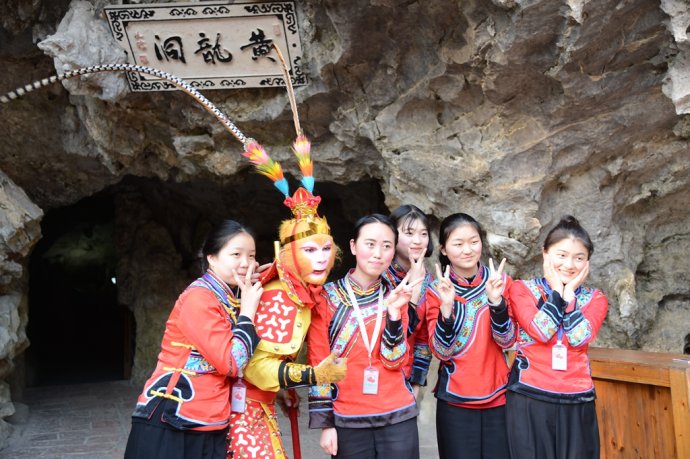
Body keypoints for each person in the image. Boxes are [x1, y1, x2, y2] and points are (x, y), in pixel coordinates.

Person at [227, 142, 347, 459]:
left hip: (257, 405)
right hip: (243, 411)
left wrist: (285, 388)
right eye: (309, 250)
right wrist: (311, 375)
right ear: (288, 253)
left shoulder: (304, 292)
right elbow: (255, 368)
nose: (321, 258)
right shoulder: (281, 295)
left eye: (326, 249)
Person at [124, 220, 263, 459]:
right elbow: (231, 362)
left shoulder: (229, 299)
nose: (246, 263)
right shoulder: (199, 298)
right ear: (212, 258)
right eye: (236, 254)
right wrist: (248, 313)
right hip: (173, 419)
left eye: (251, 256)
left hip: (208, 419)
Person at [308, 213, 422, 459]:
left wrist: (394, 314)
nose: (378, 254)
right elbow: (319, 362)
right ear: (353, 246)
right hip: (347, 417)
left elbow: (395, 361)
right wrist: (326, 424)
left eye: (387, 246)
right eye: (370, 244)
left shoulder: (396, 296)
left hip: (397, 415)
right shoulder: (325, 298)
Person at [505, 215, 609, 459]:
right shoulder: (522, 289)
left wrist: (569, 294)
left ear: (587, 262)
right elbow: (541, 330)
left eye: (579, 258)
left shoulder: (596, 299)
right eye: (561, 255)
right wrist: (557, 294)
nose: (569, 264)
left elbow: (578, 337)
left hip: (578, 398)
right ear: (545, 254)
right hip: (529, 394)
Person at [424, 213, 515, 459]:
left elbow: (508, 341)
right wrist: (446, 309)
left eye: (474, 242)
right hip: (455, 400)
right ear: (444, 249)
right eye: (458, 243)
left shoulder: (501, 283)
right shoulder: (435, 291)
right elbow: (441, 352)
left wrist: (496, 302)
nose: (467, 250)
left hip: (498, 395)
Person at [382, 205, 434, 397]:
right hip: (375, 372)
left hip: (406, 378)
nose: (418, 241)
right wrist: (414, 291)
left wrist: (417, 382)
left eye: (423, 234)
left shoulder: (430, 281)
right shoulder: (379, 275)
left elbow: (423, 339)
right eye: (409, 233)